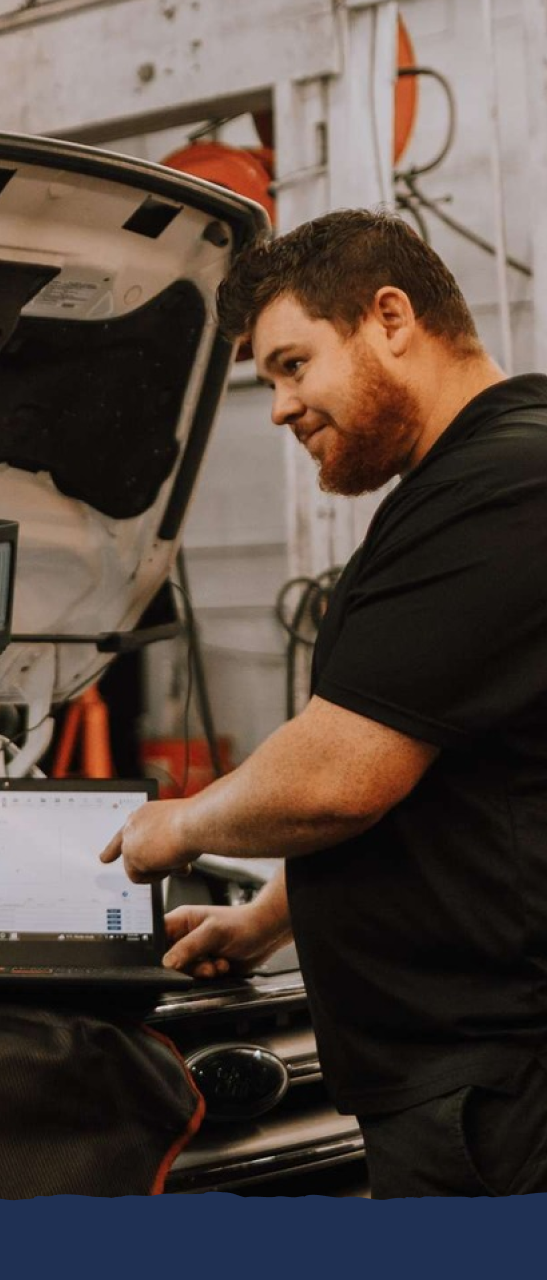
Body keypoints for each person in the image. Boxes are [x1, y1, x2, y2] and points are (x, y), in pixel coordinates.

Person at [101, 209, 547, 1197]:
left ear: (389, 318)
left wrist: (176, 824)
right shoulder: (474, 478)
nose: (277, 408)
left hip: (498, 1085)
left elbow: (344, 776)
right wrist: (266, 917)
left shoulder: (501, 486)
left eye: (292, 364)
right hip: (471, 1075)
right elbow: (450, 779)